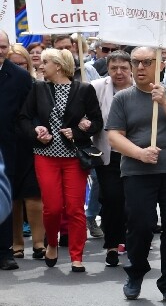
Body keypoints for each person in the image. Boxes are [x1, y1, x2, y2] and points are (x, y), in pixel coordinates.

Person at [106, 46, 166, 301]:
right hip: (138, 171)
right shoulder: (123, 98)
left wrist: (165, 101)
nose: (140, 68)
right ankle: (135, 273)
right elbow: (114, 136)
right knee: (141, 225)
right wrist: (139, 153)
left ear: (160, 66)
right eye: (136, 63)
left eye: (147, 62)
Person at [18, 49, 103, 272]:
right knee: (53, 208)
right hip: (45, 157)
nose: (40, 66)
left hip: (74, 157)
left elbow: (97, 122)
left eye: (45, 62)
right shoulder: (38, 88)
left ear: (58, 65)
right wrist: (37, 131)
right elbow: (24, 118)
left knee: (75, 208)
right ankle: (52, 243)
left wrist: (79, 130)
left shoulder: (84, 89)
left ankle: (77, 256)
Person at [92, 50, 134, 267]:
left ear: (131, 68)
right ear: (107, 69)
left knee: (131, 201)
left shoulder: (141, 87)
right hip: (108, 154)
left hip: (135, 153)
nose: (119, 72)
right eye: (114, 68)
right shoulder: (97, 88)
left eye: (124, 68)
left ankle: (129, 239)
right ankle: (111, 244)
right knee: (111, 198)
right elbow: (88, 114)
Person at [2, 36, 39, 270]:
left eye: (3, 46)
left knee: (3, 199)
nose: (0, 51)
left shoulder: (20, 76)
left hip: (7, 147)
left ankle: (4, 251)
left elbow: (26, 113)